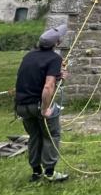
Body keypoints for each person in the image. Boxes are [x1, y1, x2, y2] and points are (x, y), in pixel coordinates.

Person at [14, 24, 69, 183]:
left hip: (22, 105)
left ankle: (36, 172)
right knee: (51, 136)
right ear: (56, 43)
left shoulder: (29, 56)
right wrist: (45, 109)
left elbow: (35, 75)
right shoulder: (54, 58)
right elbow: (47, 86)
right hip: (39, 105)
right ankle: (50, 173)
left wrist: (59, 76)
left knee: (34, 136)